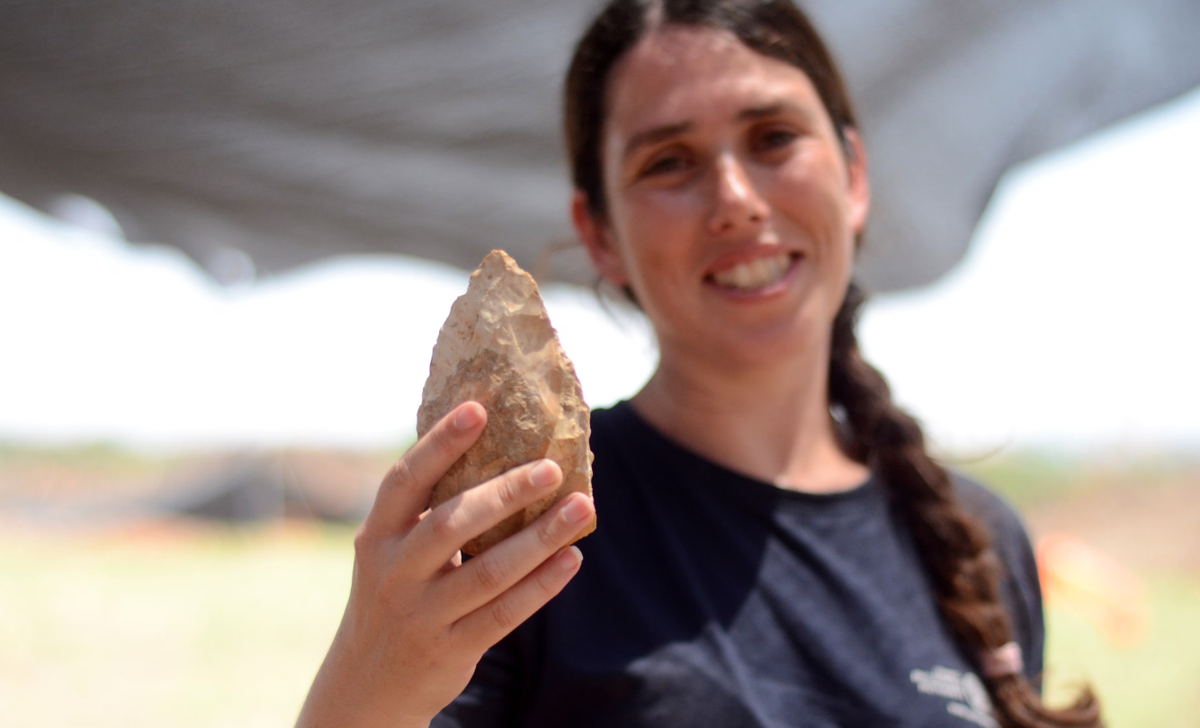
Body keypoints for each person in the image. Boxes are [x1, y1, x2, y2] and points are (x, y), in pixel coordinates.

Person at [297, 1, 1103, 726]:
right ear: (600, 232)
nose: (736, 199)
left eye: (774, 138)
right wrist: (366, 685)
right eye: (669, 162)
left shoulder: (979, 541)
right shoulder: (528, 530)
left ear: (853, 175)